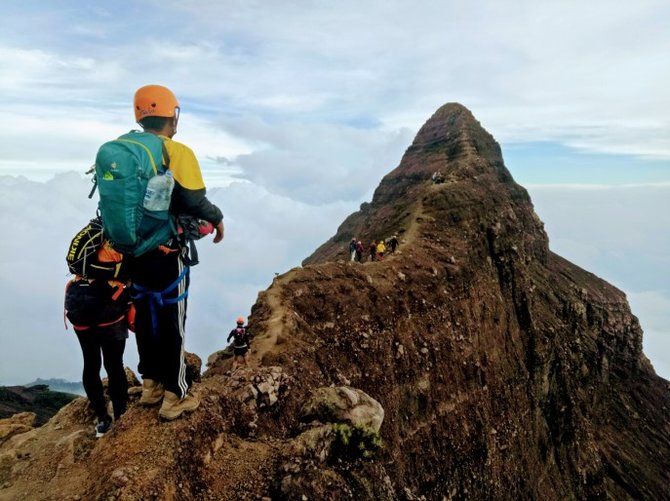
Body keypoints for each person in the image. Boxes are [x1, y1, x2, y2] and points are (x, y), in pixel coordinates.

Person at [129, 84, 225, 421]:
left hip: (132, 251)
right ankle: (175, 396)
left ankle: (150, 385)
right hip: (167, 253)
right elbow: (195, 201)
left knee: (144, 315)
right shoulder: (177, 152)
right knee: (172, 321)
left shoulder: (126, 150)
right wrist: (218, 219)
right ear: (173, 115)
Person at [64, 241, 131, 437]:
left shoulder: (86, 241)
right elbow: (129, 272)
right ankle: (120, 417)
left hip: (80, 304)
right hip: (109, 309)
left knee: (90, 363)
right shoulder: (120, 238)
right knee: (114, 365)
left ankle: (102, 419)